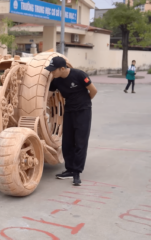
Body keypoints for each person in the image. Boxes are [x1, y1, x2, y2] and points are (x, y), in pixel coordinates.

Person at [45, 56, 98, 186]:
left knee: (80, 142)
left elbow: (93, 90)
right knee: (67, 141)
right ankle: (69, 169)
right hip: (68, 111)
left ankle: (77, 172)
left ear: (62, 68)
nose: (52, 72)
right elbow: (49, 95)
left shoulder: (79, 75)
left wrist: (85, 103)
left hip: (83, 112)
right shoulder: (56, 81)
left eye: (54, 70)